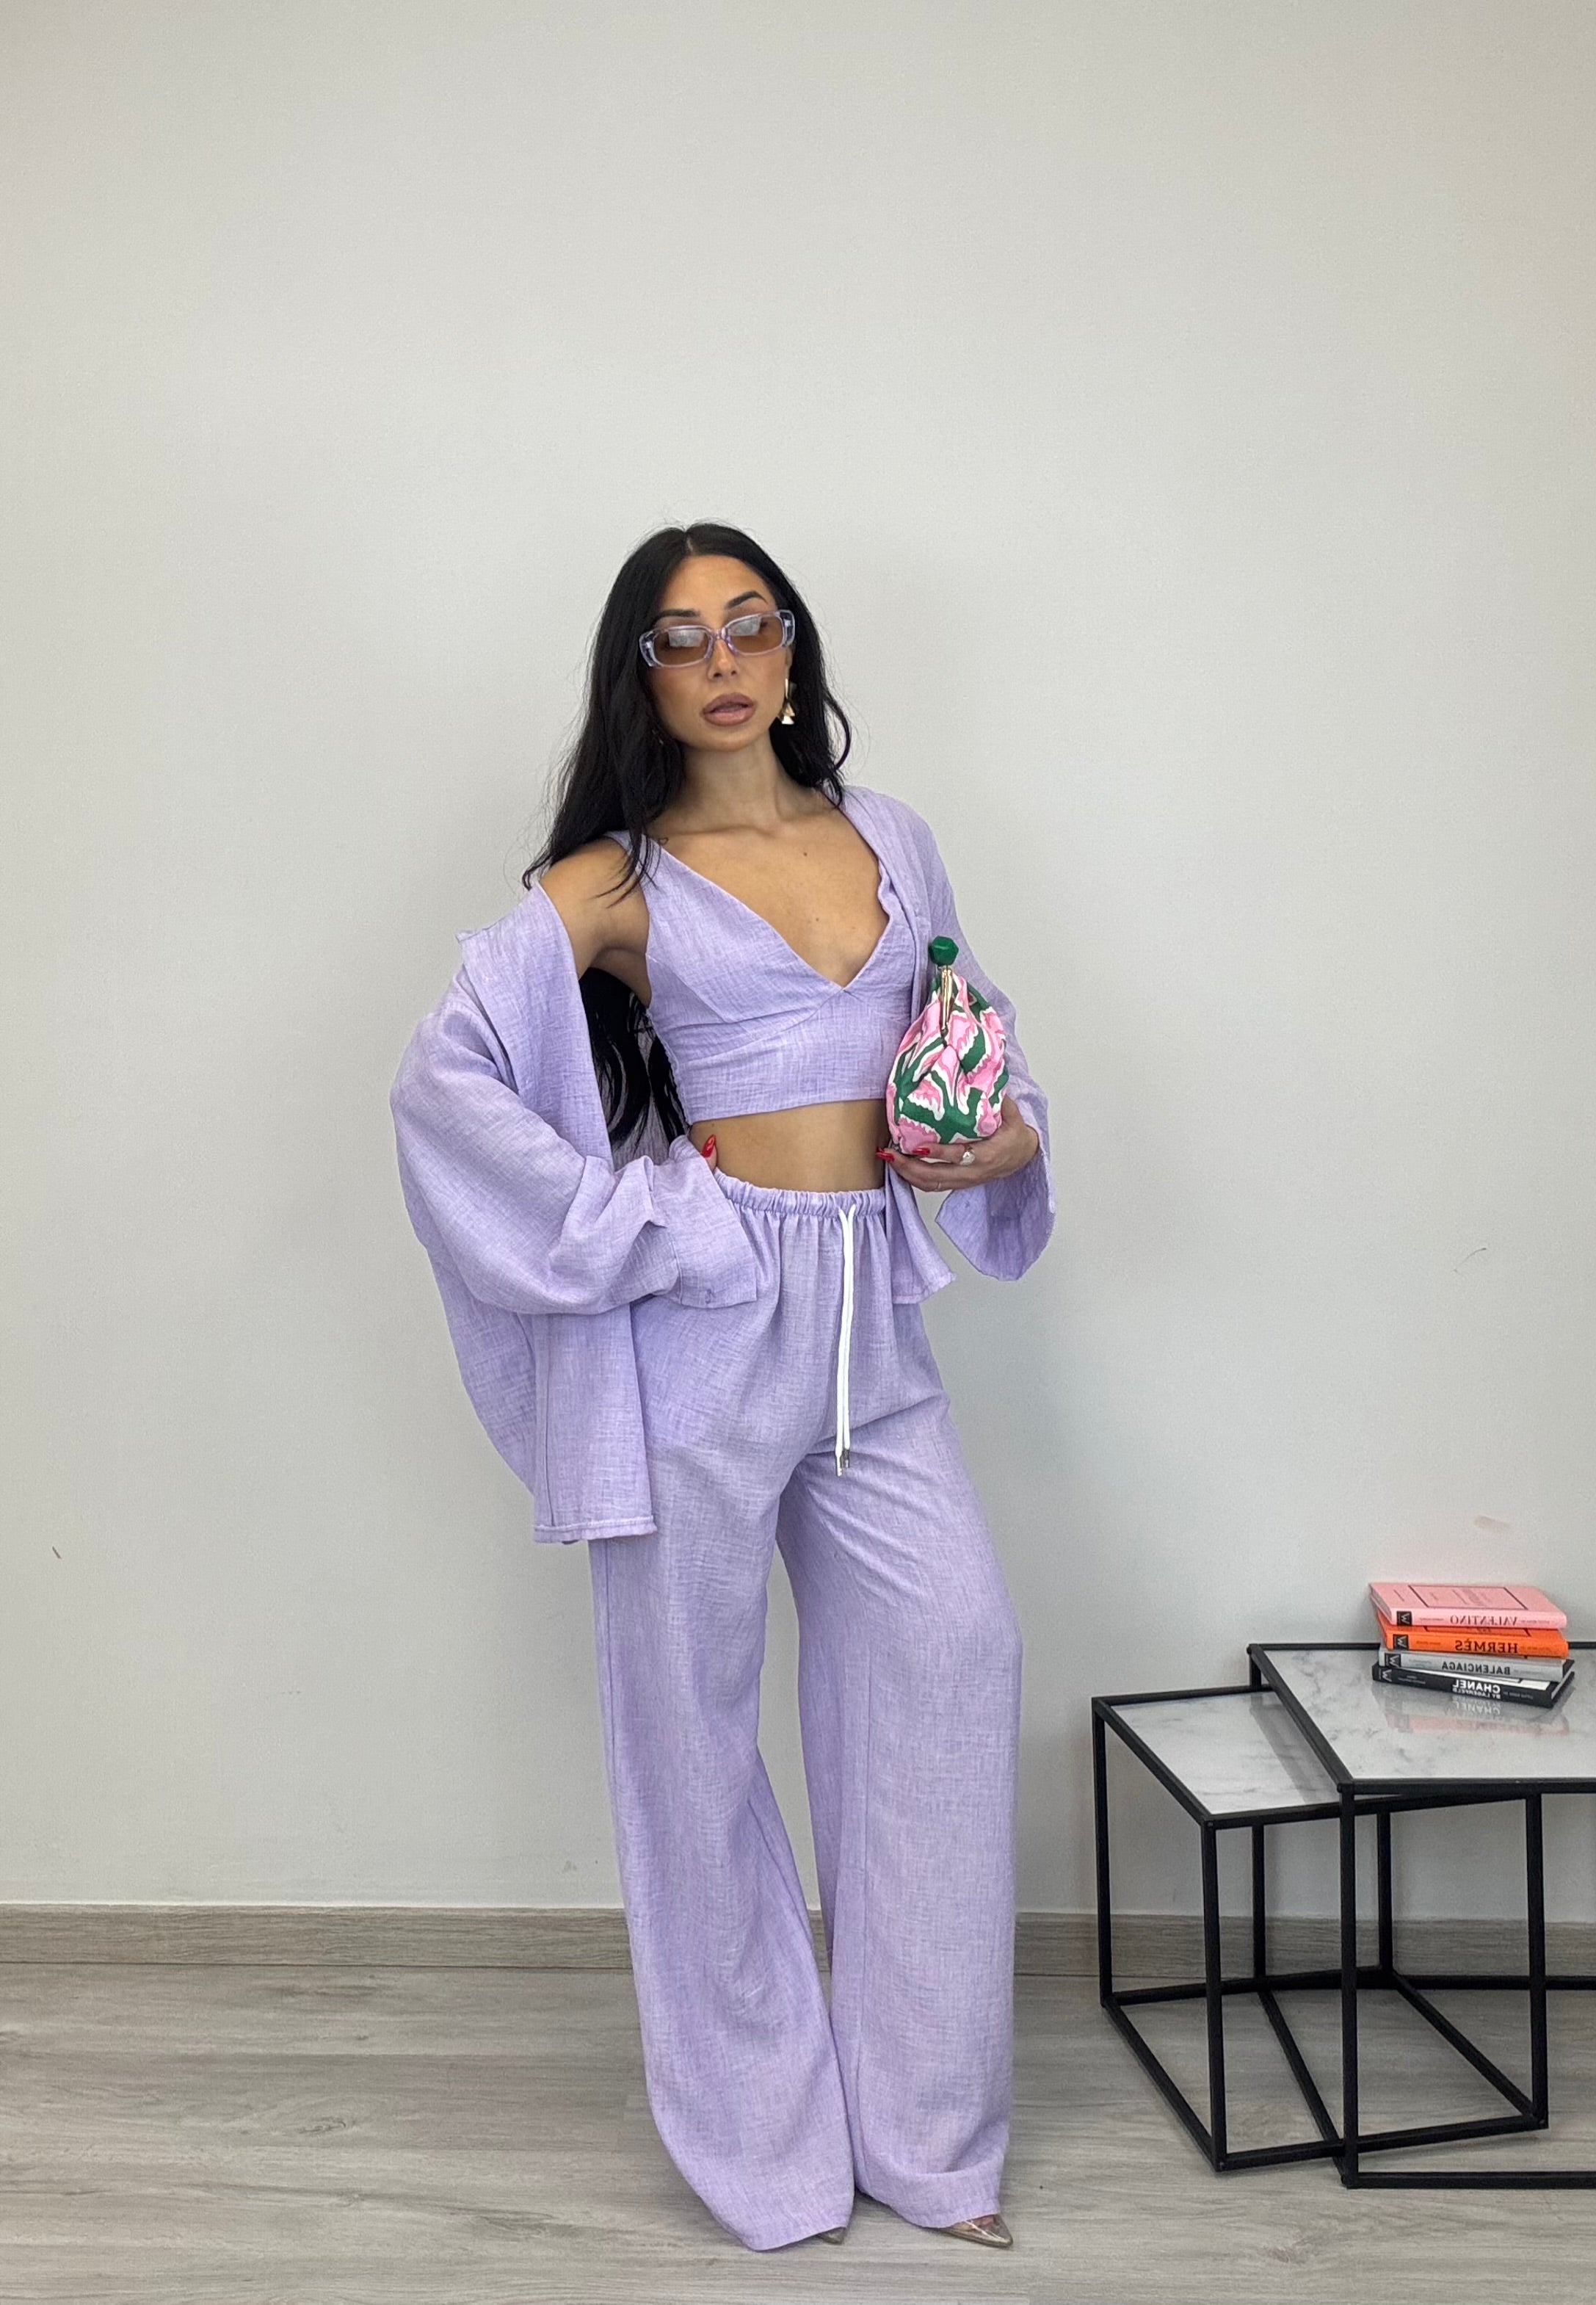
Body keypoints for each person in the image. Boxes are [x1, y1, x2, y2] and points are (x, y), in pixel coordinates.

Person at [390, 521, 1056, 2254]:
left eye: (750, 624)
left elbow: (971, 1035)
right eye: (681, 638)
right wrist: (643, 1218)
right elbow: (444, 1079)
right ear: (645, 676)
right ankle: (767, 2149)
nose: (724, 660)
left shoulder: (891, 837)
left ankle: (927, 2139)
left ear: (791, 645)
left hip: (871, 1325)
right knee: (691, 1739)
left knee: (952, 1656)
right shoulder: (617, 882)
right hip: (702, 1322)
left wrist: (1004, 1136)